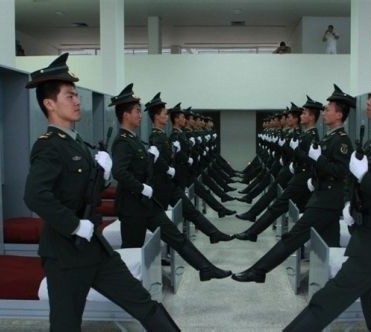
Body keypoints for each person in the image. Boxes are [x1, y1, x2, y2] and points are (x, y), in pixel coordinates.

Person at [23, 53, 180, 331]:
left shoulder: (77, 142)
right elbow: (35, 196)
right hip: (65, 255)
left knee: (142, 302)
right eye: (69, 96)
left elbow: (83, 191)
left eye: (76, 95)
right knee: (66, 325)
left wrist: (104, 177)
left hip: (94, 248)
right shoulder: (49, 145)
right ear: (49, 104)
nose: (77, 100)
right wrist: (73, 225)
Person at [283, 54, 371, 331]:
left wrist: (364, 176)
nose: (368, 101)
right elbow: (360, 185)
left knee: (325, 303)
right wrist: (353, 205)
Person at [231, 85, 354, 283]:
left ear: (339, 115)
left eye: (328, 110)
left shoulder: (342, 141)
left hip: (327, 199)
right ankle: (337, 281)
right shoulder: (330, 138)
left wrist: (315, 160)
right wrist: (314, 177)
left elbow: (340, 172)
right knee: (329, 244)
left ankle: (259, 270)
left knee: (293, 236)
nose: (324, 113)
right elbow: (321, 167)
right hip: (323, 195)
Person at [110, 84, 232, 281]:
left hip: (147, 204)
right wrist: (142, 187)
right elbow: (119, 172)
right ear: (125, 115)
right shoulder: (122, 142)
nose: (140, 115)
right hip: (132, 209)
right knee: (131, 253)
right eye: (137, 111)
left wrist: (152, 162)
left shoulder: (133, 141)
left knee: (176, 237)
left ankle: (205, 268)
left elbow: (140, 169)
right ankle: (127, 295)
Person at [145, 92, 233, 243]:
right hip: (164, 186)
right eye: (164, 114)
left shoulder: (163, 136)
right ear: (157, 117)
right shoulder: (156, 137)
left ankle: (213, 233)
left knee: (190, 211)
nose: (166, 116)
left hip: (171, 183)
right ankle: (166, 253)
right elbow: (160, 162)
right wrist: (171, 164)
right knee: (168, 223)